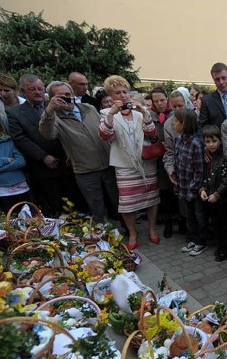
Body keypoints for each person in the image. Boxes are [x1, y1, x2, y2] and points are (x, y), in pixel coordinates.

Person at [39, 81, 118, 223]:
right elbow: (48, 134)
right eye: (60, 96)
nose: (66, 98)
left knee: (117, 200)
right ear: (52, 99)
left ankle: (129, 229)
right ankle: (103, 235)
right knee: (96, 207)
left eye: (68, 95)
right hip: (85, 169)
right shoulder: (53, 118)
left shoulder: (88, 108)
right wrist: (49, 110)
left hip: (109, 163)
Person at [98, 75, 160, 250]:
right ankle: (133, 233)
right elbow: (105, 135)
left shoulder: (139, 112)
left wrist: (144, 111)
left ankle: (152, 229)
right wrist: (111, 113)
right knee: (127, 203)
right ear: (111, 95)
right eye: (118, 93)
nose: (123, 95)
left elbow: (152, 133)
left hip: (145, 162)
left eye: (125, 91)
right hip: (125, 164)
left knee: (152, 198)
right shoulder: (106, 113)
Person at [8, 74, 82, 216]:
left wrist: (69, 151)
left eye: (40, 89)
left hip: (67, 162)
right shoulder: (15, 113)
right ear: (23, 91)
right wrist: (43, 156)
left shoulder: (57, 105)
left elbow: (69, 128)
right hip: (43, 167)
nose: (37, 92)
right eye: (32, 89)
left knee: (75, 200)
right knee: (55, 204)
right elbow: (20, 139)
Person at [167, 108, 207, 256]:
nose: (173, 123)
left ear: (184, 124)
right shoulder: (178, 139)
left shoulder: (196, 144)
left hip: (194, 189)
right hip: (183, 186)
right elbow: (177, 162)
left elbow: (199, 170)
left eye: (176, 122)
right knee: (189, 216)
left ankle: (201, 241)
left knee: (199, 216)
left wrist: (192, 188)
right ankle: (193, 239)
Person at [200, 125, 227, 261]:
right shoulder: (208, 157)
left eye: (214, 141)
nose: (211, 145)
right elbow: (204, 175)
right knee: (216, 224)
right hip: (211, 197)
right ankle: (221, 246)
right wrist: (203, 189)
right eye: (208, 142)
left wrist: (217, 194)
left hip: (224, 198)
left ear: (220, 140)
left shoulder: (224, 156)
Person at [150, 86, 176, 238]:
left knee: (176, 192)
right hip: (159, 159)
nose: (160, 103)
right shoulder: (149, 116)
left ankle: (180, 221)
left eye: (162, 100)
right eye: (156, 101)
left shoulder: (174, 113)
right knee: (164, 192)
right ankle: (168, 224)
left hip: (175, 156)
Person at [199, 62, 227, 129]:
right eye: (217, 79)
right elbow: (203, 127)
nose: (221, 82)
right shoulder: (207, 101)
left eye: (223, 78)